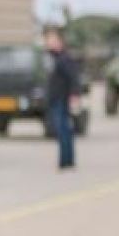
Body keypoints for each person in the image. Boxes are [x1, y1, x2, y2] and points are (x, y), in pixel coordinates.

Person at [44, 27, 80, 170]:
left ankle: (65, 161)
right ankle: (67, 160)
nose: (48, 43)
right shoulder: (53, 58)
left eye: (51, 40)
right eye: (48, 40)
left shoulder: (64, 59)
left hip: (62, 99)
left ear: (59, 42)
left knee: (63, 130)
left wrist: (74, 95)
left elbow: (73, 78)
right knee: (63, 130)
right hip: (56, 98)